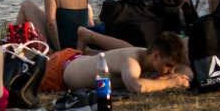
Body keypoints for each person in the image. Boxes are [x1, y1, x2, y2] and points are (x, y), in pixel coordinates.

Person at [61, 31, 191, 94]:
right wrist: (170, 82)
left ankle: (89, 48)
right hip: (64, 66)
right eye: (168, 66)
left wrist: (174, 76)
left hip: (82, 61)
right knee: (127, 51)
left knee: (126, 47)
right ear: (156, 55)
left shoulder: (146, 55)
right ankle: (88, 38)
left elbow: (187, 72)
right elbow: (136, 87)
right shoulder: (131, 61)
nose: (171, 71)